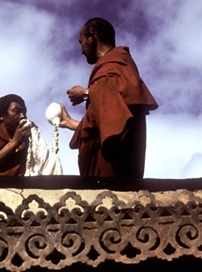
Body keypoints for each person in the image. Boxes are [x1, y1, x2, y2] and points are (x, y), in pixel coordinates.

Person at [59, 17, 158, 179]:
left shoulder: (118, 62)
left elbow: (121, 120)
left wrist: (86, 93)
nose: (81, 50)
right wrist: (71, 123)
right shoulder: (107, 68)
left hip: (116, 161)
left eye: (81, 42)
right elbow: (104, 123)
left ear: (92, 37)